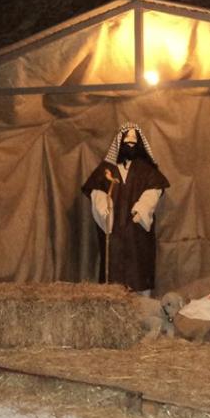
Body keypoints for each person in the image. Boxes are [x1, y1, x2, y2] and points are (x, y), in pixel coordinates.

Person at [82, 122, 169, 293]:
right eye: (127, 139)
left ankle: (142, 301)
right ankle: (112, 301)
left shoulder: (146, 171)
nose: (130, 143)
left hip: (137, 230)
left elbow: (154, 190)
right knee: (113, 266)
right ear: (120, 142)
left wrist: (142, 208)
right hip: (113, 230)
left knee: (139, 267)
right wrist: (103, 208)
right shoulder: (106, 170)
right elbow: (96, 190)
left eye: (134, 140)